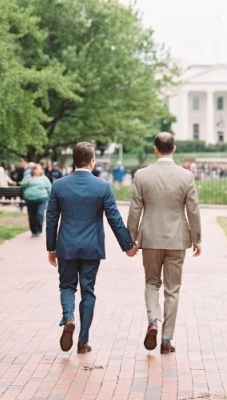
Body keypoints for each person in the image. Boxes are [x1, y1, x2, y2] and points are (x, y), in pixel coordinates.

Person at [46, 142, 138, 354]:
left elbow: (51, 219)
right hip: (91, 246)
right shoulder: (102, 187)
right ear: (92, 161)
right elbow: (114, 218)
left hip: (66, 245)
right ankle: (82, 341)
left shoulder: (58, 185)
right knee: (88, 291)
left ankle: (68, 316)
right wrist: (128, 245)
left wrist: (52, 247)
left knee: (67, 286)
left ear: (74, 161)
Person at [127, 132, 202, 355]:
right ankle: (167, 339)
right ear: (174, 149)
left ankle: (153, 320)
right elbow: (193, 210)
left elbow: (135, 210)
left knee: (151, 283)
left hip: (150, 238)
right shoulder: (186, 176)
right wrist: (196, 238)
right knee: (173, 290)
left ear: (155, 149)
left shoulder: (142, 176)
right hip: (177, 239)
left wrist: (130, 239)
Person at [22, 164, 52, 237]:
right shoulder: (28, 177)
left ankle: (38, 230)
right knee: (31, 216)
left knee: (39, 214)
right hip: (29, 199)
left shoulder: (44, 178)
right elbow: (22, 185)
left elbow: (50, 188)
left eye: (38, 169)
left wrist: (51, 199)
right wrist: (26, 183)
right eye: (35, 169)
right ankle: (33, 231)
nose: (36, 170)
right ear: (33, 170)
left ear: (41, 170)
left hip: (41, 199)